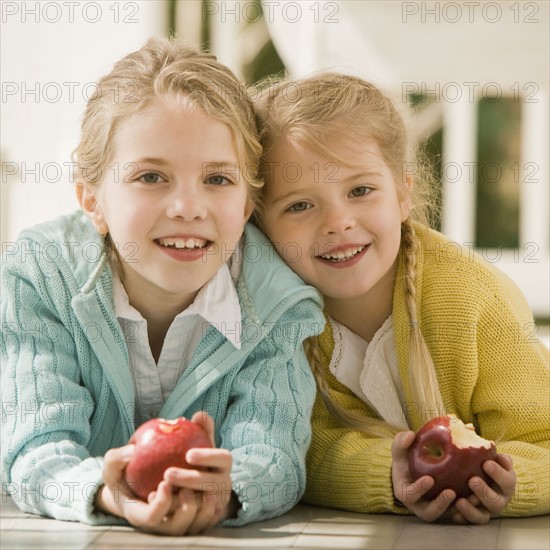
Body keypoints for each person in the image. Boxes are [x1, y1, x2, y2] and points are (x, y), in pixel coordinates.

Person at [1, 37, 325, 536]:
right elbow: (36, 447)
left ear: (245, 204)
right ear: (92, 199)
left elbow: (274, 449)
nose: (188, 206)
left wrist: (228, 488)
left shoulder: (276, 302)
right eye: (151, 176)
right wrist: (108, 494)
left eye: (218, 179)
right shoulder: (41, 277)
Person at [253, 72, 550, 524]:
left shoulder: (474, 299)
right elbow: (294, 446)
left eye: (360, 191)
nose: (338, 222)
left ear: (403, 193)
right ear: (259, 224)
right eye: (299, 205)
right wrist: (388, 474)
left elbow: (544, 437)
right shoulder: (269, 318)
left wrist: (510, 482)